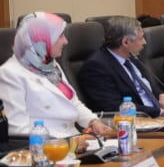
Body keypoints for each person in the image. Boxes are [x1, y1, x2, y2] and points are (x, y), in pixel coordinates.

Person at [0, 12, 113, 146]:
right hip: (46, 150)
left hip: (74, 141)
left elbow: (73, 103)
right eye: (60, 36)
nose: (66, 41)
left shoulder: (50, 65)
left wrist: (93, 121)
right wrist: (67, 144)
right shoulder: (9, 73)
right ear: (40, 40)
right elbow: (18, 131)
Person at [77, 16, 164, 117]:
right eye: (141, 38)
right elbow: (113, 106)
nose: (144, 42)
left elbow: (146, 85)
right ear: (126, 42)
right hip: (136, 120)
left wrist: (161, 94)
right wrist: (159, 112)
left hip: (158, 115)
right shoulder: (96, 67)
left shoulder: (131, 57)